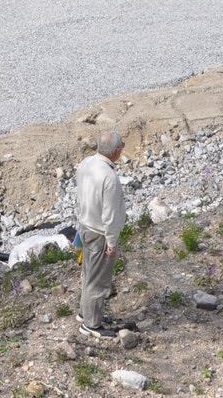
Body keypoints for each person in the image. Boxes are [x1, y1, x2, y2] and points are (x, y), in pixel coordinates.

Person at [75, 129, 126, 338]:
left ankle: (84, 313)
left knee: (88, 274)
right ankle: (92, 325)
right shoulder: (109, 177)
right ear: (116, 151)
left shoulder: (86, 164)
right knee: (98, 281)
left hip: (85, 226)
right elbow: (110, 215)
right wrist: (112, 243)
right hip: (99, 234)